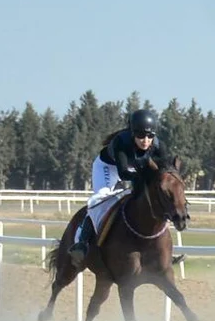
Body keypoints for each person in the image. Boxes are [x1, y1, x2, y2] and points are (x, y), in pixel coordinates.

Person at [68, 108, 176, 266]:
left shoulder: (159, 146)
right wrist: (144, 178)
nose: (145, 140)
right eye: (140, 135)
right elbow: (124, 173)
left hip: (134, 168)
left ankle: (162, 252)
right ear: (132, 133)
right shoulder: (121, 142)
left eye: (150, 136)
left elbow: (165, 171)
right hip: (109, 167)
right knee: (101, 198)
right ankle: (81, 243)